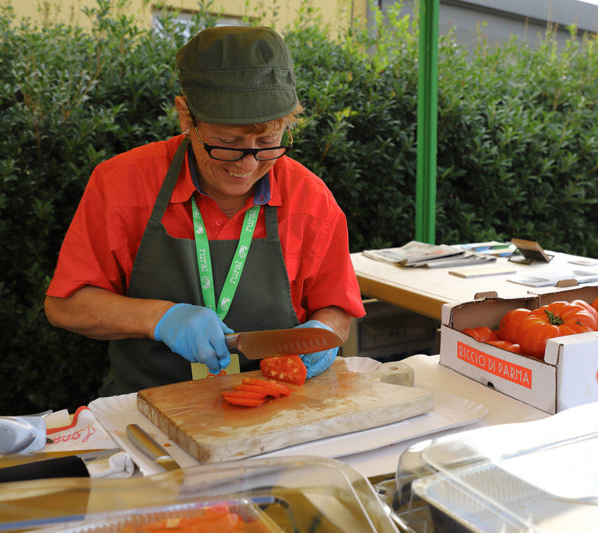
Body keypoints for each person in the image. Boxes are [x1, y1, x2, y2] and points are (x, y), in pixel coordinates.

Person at [44, 26, 365, 396]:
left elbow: (338, 308)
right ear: (186, 117)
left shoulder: (311, 200)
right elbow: (65, 304)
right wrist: (160, 318)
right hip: (145, 408)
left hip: (273, 408)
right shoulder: (121, 184)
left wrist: (324, 334)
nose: (246, 163)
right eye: (228, 143)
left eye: (267, 143)